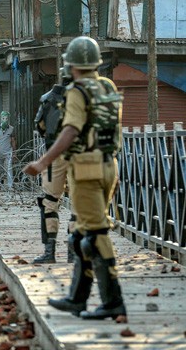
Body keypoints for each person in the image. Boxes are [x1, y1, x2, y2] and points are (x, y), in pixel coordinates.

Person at [23, 36, 126, 320]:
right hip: (108, 166)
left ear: (71, 65)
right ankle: (76, 298)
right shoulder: (108, 86)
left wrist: (43, 161)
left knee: (94, 234)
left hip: (87, 169)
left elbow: (69, 131)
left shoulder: (78, 91)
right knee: (81, 235)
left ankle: (113, 301)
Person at [32, 67, 74, 264]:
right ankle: (74, 253)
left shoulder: (47, 98)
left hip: (53, 154)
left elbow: (39, 126)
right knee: (79, 204)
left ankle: (50, 252)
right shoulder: (83, 97)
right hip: (78, 156)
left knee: (49, 201)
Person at [0, 111, 16, 190]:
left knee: (9, 168)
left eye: (6, 118)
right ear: (1, 118)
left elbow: (12, 141)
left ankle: (10, 186)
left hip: (8, 151)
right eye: (3, 118)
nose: (5, 120)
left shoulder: (11, 128)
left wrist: (14, 152)